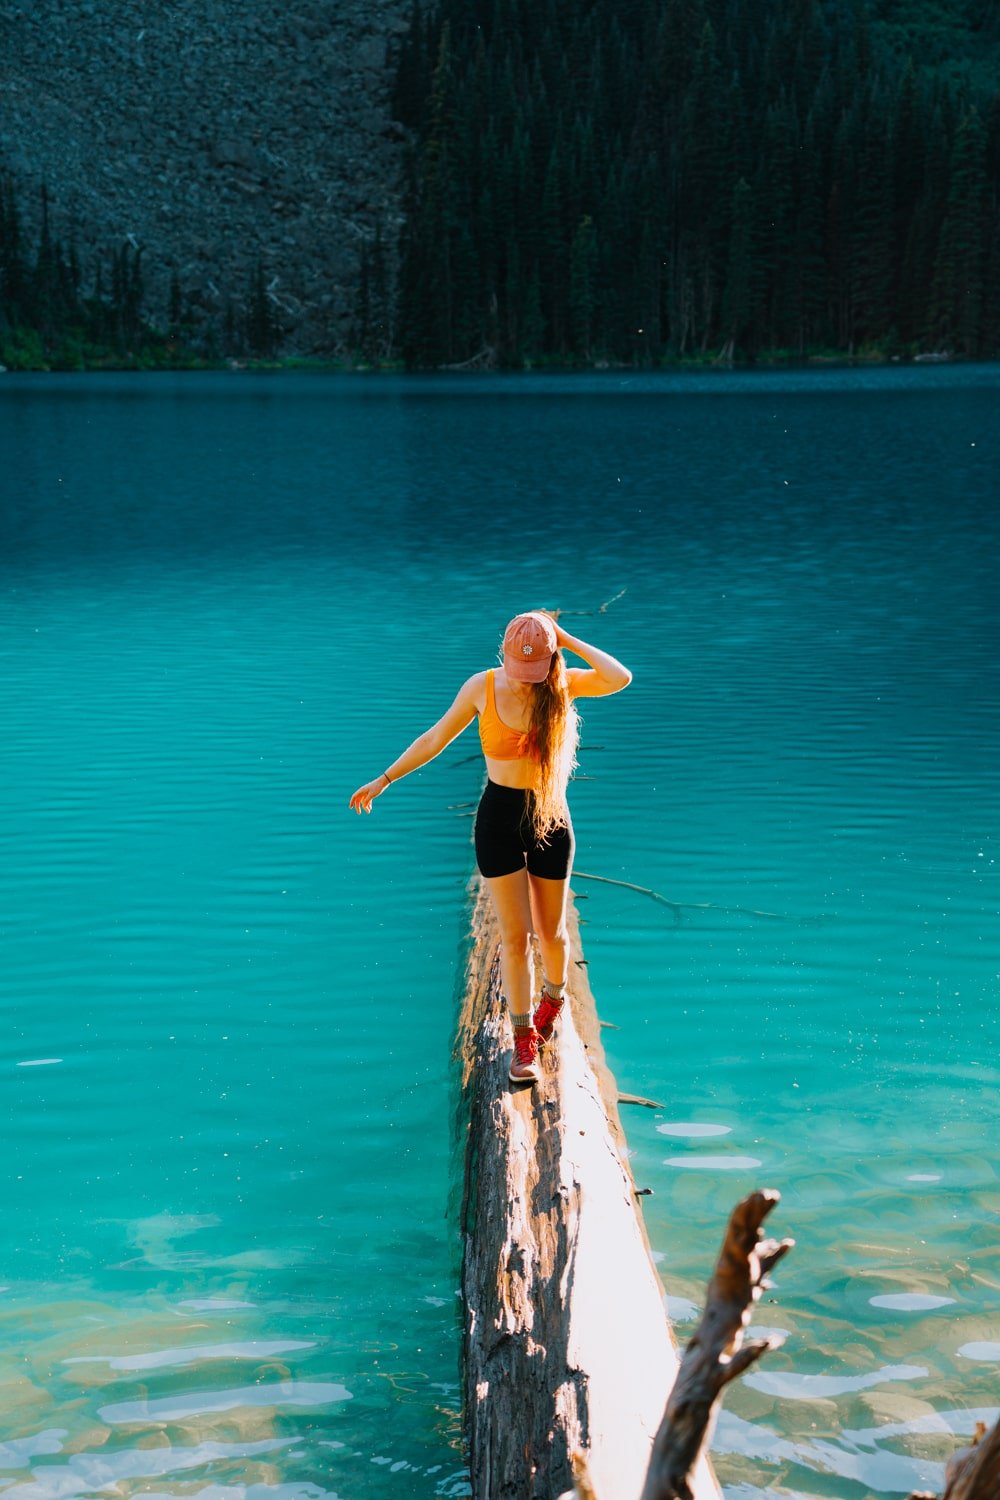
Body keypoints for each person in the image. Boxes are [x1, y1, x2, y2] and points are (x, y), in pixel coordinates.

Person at [349, 611, 632, 1085]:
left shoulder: (563, 686)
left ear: (548, 660)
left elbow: (619, 677)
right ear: (503, 655)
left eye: (534, 667)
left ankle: (555, 999)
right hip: (497, 820)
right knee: (516, 939)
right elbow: (435, 737)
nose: (524, 679)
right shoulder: (481, 686)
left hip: (549, 819)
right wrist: (384, 779)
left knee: (552, 934)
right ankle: (523, 1042)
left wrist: (565, 639)